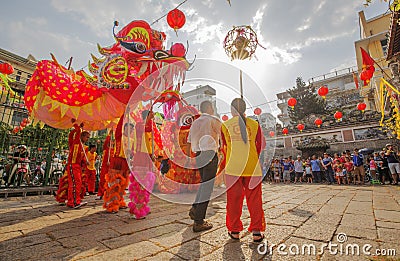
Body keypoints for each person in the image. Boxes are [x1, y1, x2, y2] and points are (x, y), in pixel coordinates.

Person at [221, 98, 266, 242]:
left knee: (233, 200)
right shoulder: (255, 124)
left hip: (233, 167)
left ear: (232, 110)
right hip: (252, 167)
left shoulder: (225, 126)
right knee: (255, 200)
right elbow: (261, 146)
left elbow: (224, 148)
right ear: (245, 109)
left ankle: (234, 231)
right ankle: (257, 231)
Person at [187, 101, 221, 232]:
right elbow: (222, 136)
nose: (213, 109)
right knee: (207, 187)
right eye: (212, 107)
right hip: (210, 153)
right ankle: (199, 221)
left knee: (203, 183)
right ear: (208, 108)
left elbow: (189, 141)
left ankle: (196, 209)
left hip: (198, 154)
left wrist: (190, 158)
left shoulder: (195, 122)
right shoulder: (212, 120)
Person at [60, 121, 90, 208]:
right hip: (72, 166)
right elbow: (72, 134)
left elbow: (81, 158)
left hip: (77, 167)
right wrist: (77, 125)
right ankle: (73, 202)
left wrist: (85, 161)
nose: (87, 139)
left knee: (78, 183)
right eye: (87, 137)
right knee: (74, 184)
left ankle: (75, 200)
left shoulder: (82, 146)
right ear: (82, 136)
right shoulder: (76, 142)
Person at [96, 131, 112, 200]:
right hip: (104, 167)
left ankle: (108, 194)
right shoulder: (106, 149)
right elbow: (105, 144)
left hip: (110, 168)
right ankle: (101, 193)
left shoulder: (113, 150)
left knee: (110, 181)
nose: (111, 143)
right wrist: (109, 135)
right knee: (102, 180)